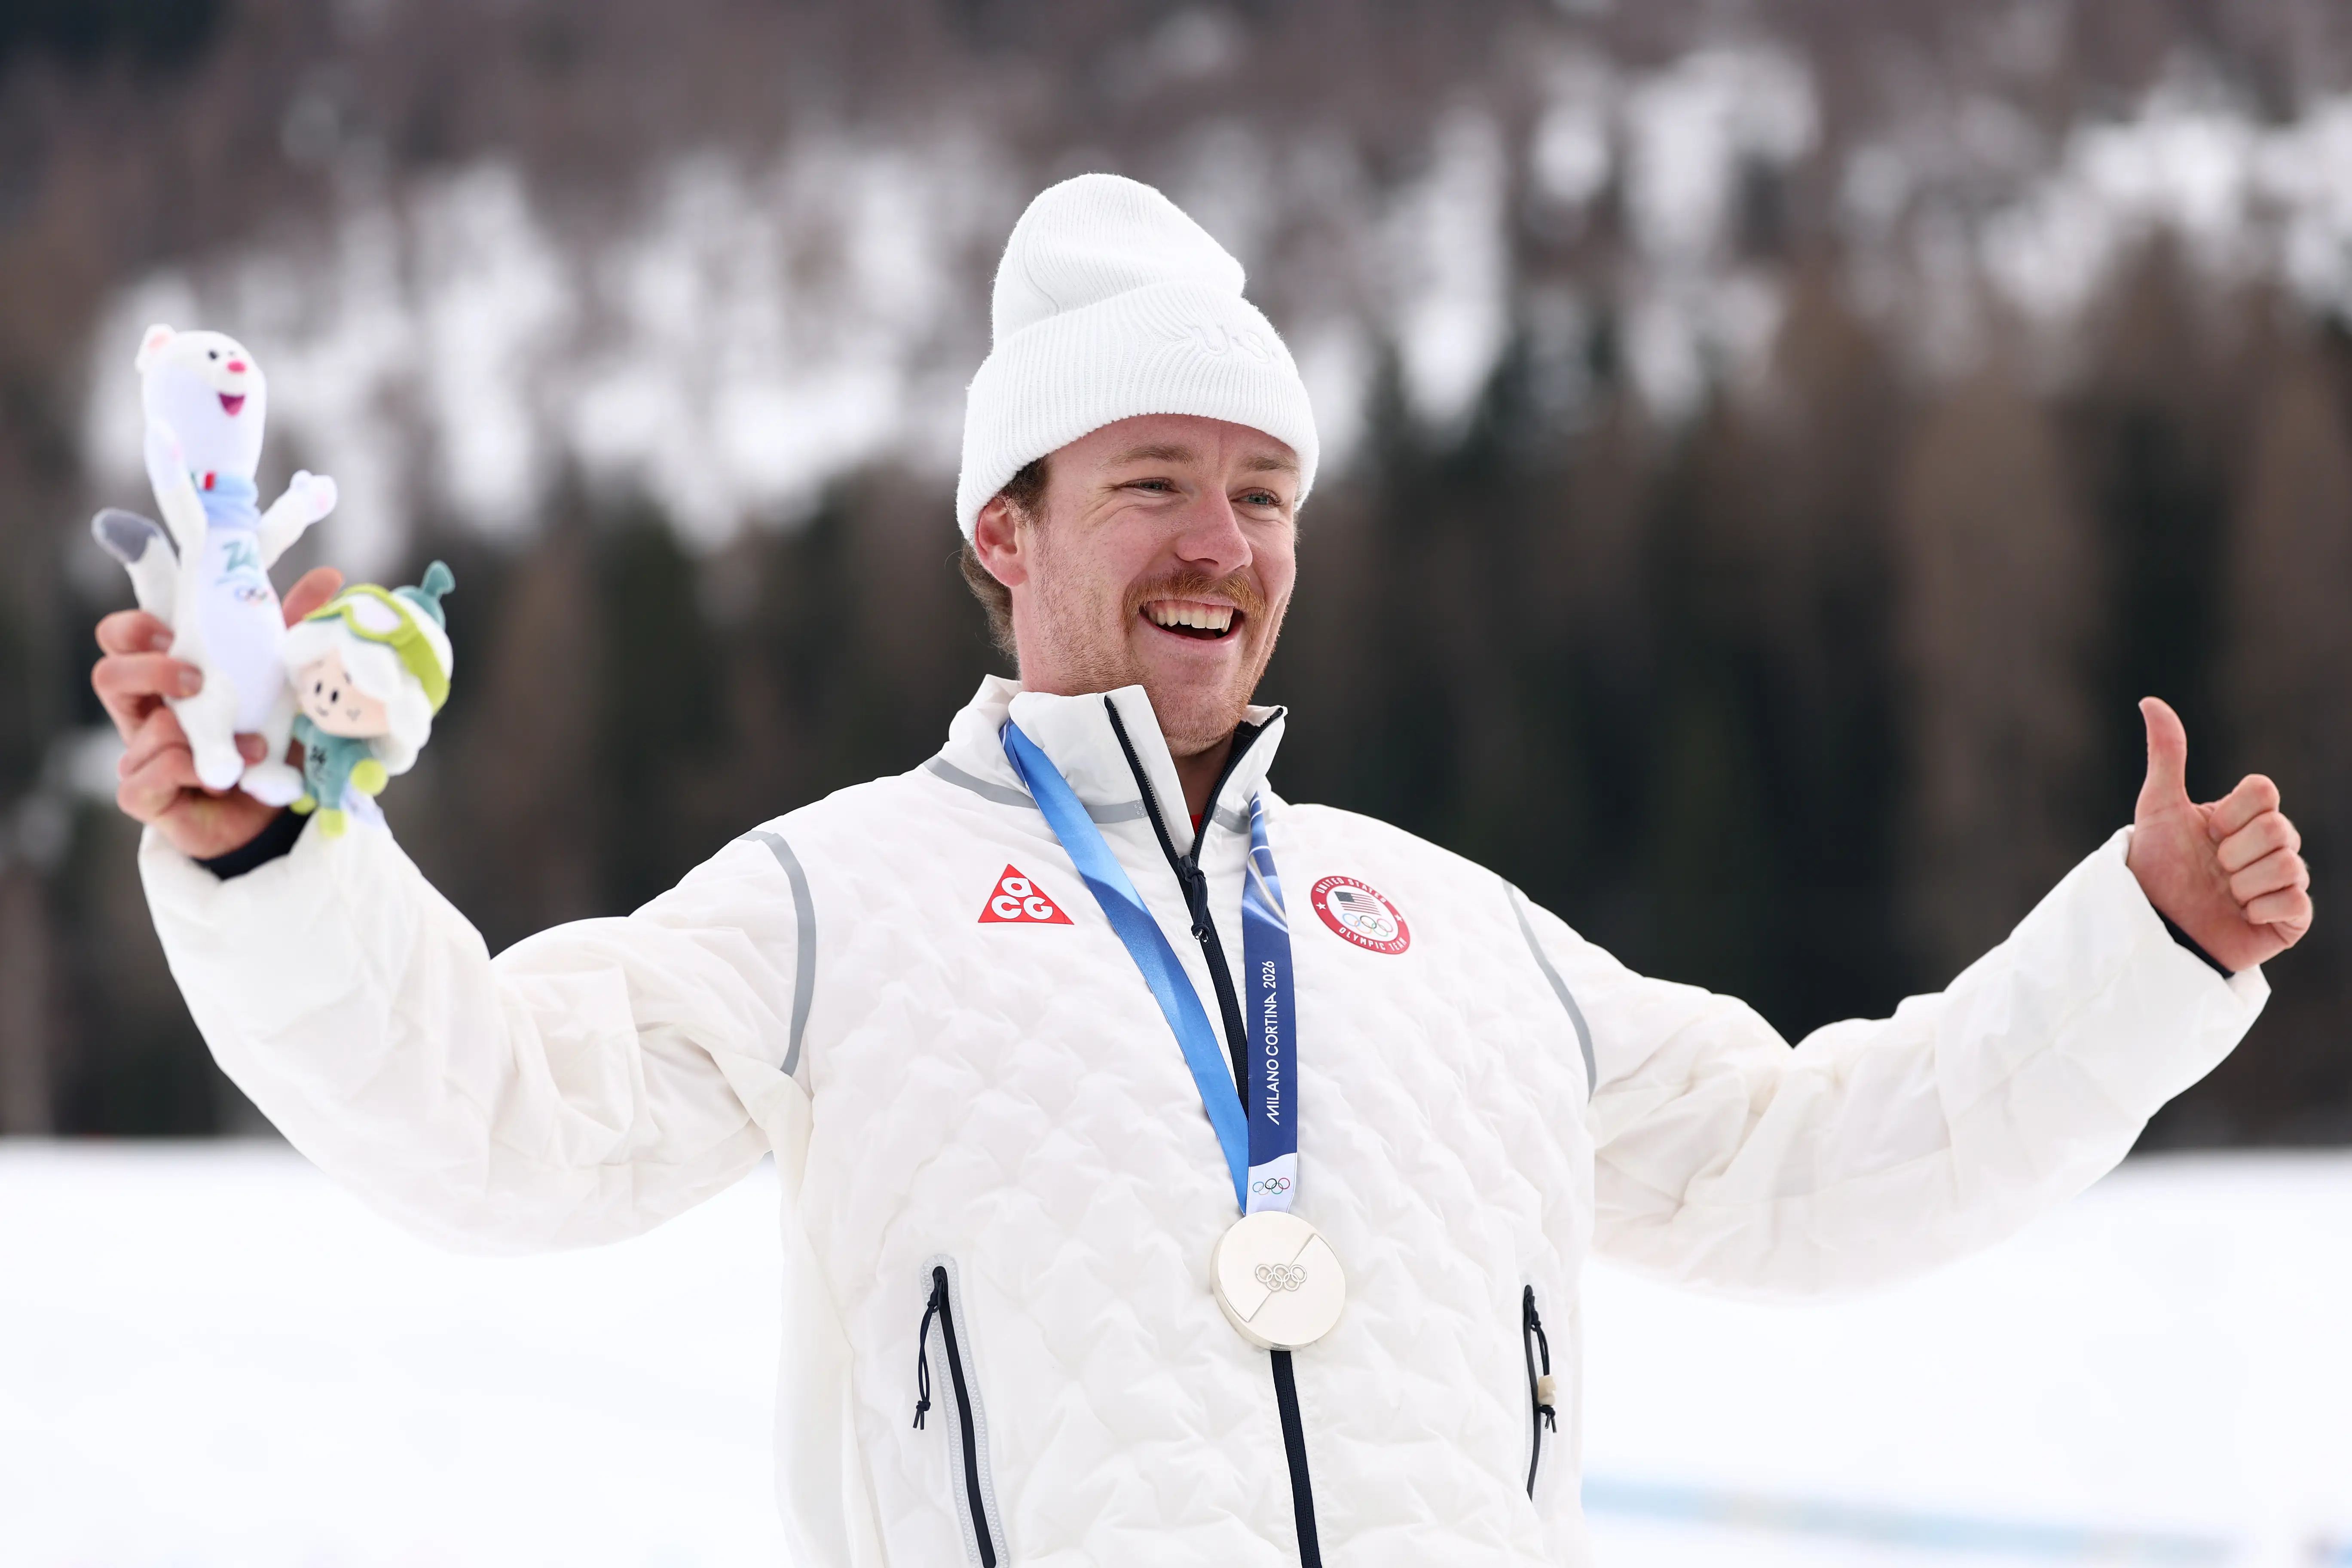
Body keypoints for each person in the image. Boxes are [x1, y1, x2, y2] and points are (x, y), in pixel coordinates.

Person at [93, 174, 2312, 1568]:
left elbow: (1813, 1166)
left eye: (1264, 491)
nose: (1221, 546)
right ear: (1006, 530)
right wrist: (274, 855)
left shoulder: (1454, 932)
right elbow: (502, 1120)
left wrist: (2139, 956)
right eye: (1152, 475)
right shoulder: (829, 906)